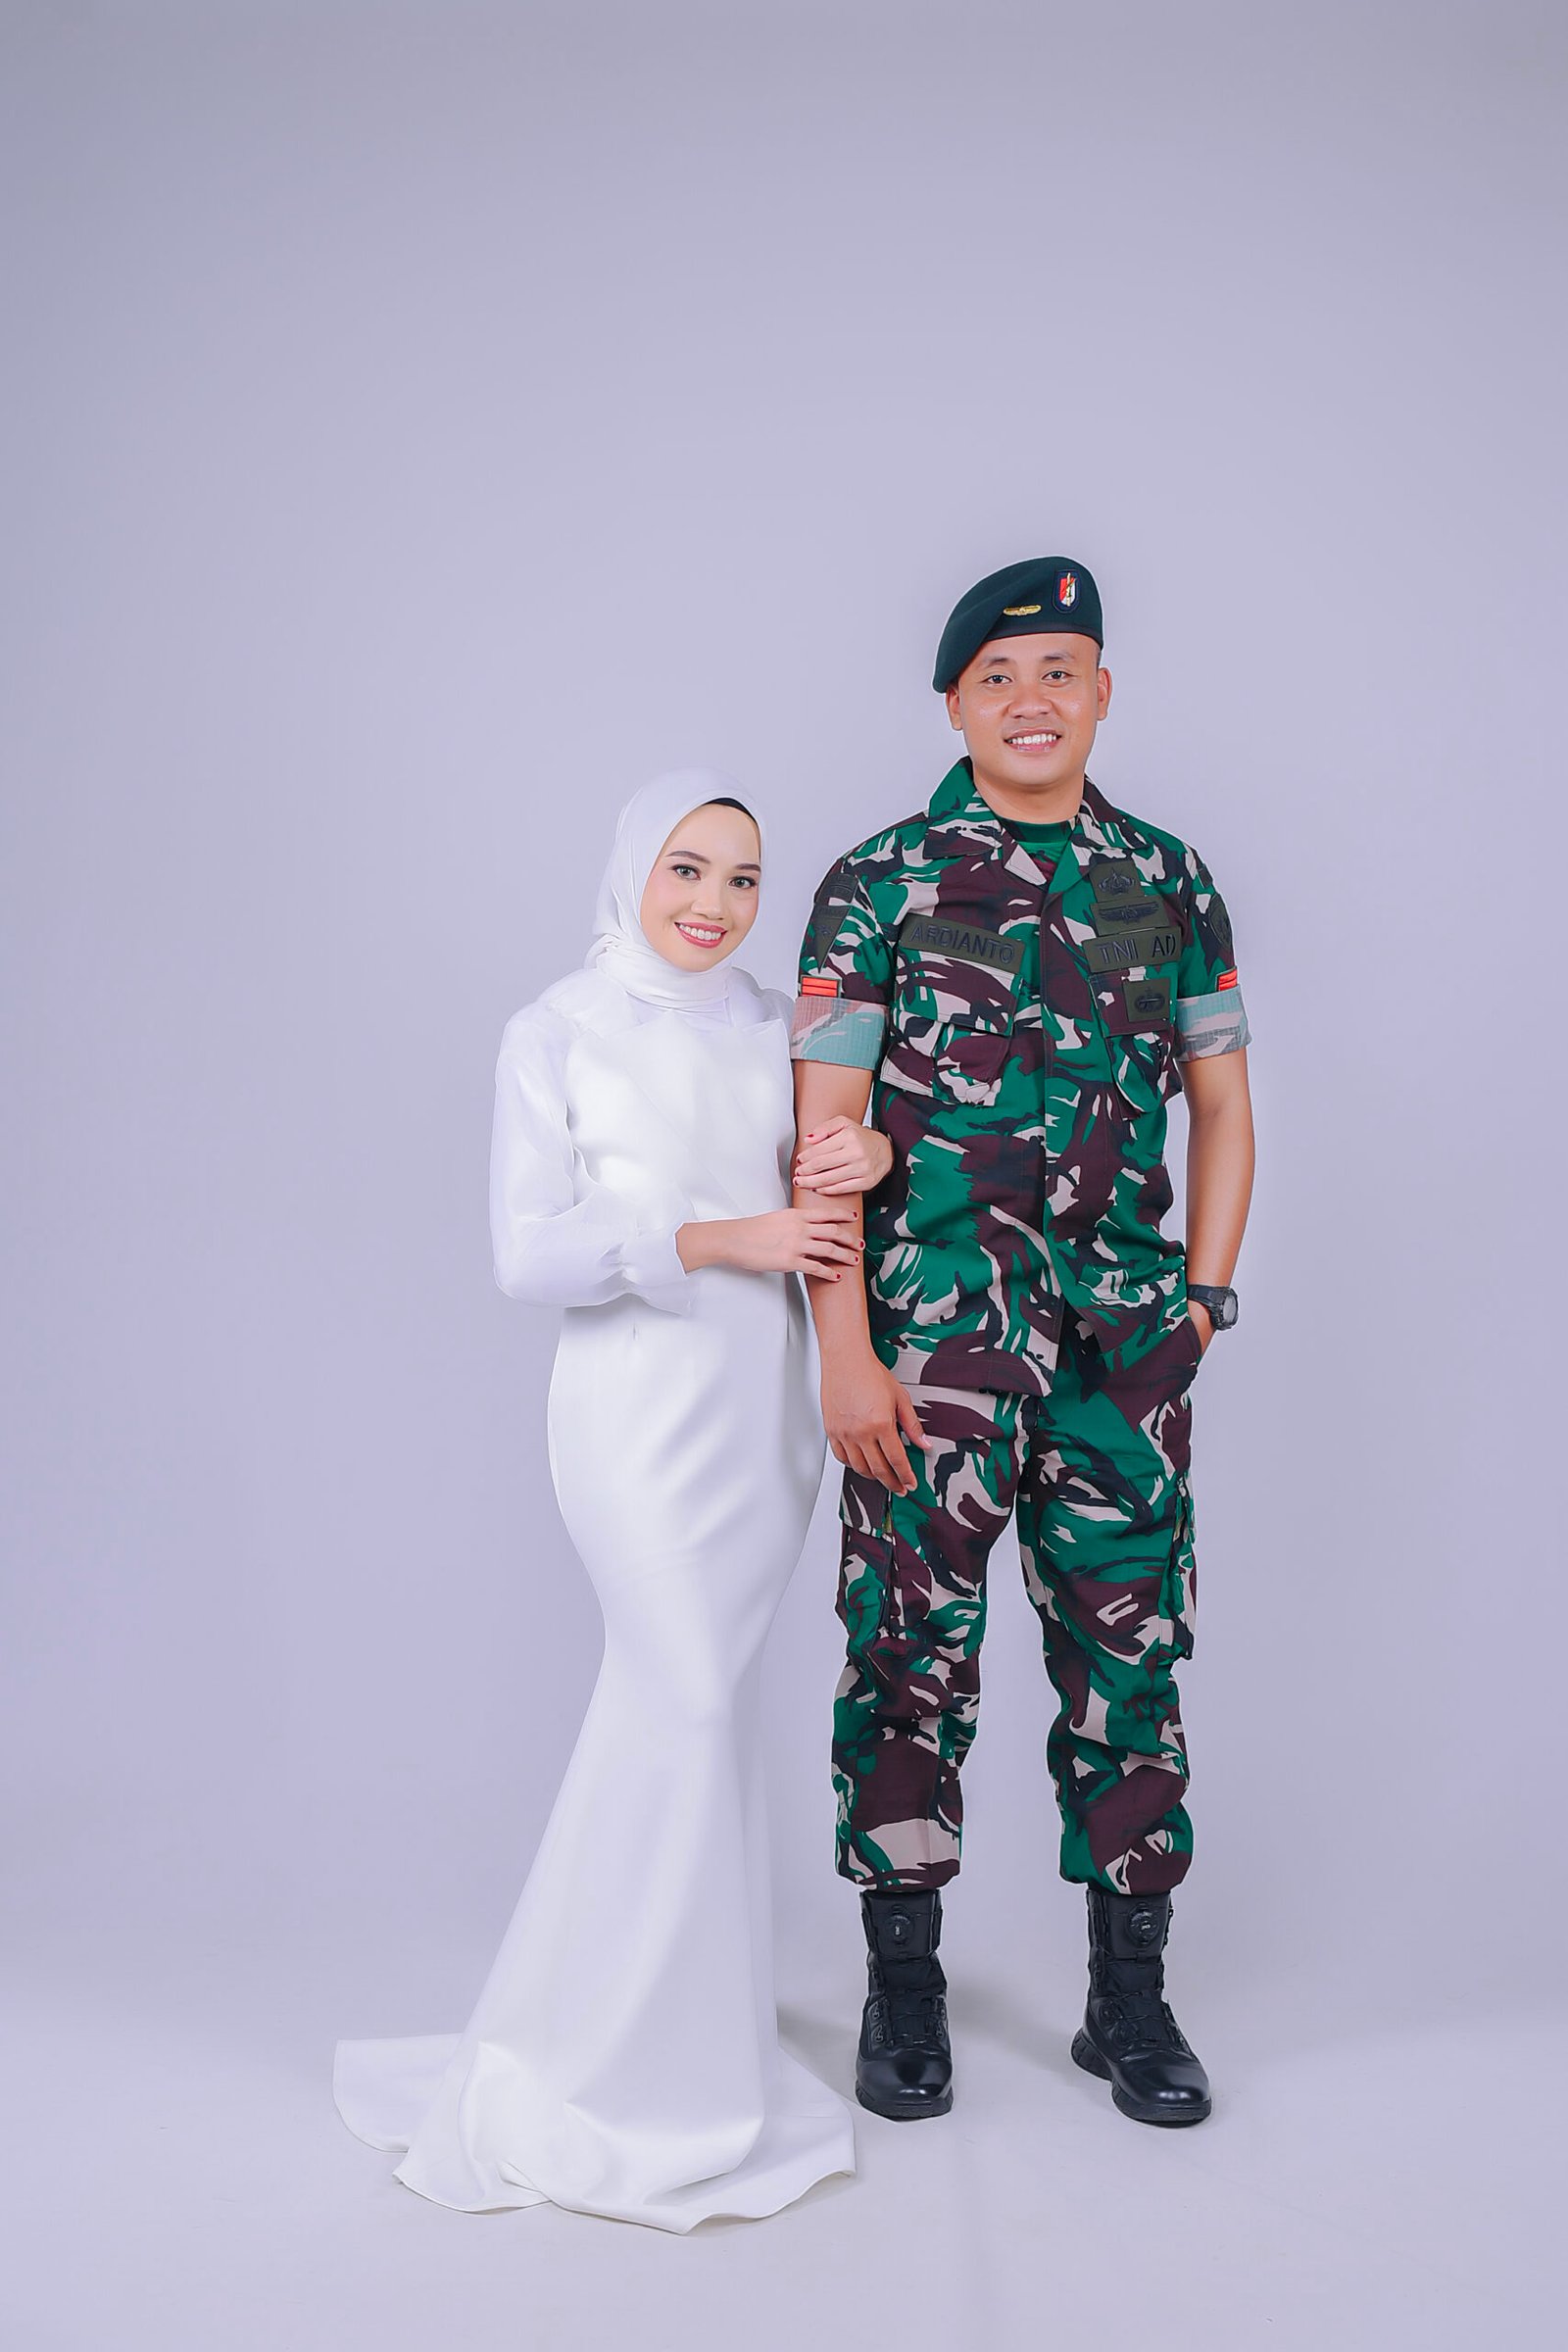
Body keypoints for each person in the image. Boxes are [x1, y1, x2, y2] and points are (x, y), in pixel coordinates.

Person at [335, 770, 887, 2230]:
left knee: (697, 1718)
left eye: (743, 878)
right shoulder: (557, 1028)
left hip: (763, 1415)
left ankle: (687, 2037)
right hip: (638, 1413)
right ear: (633, 868)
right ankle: (609, 2069)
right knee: (681, 1695)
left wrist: (872, 1151)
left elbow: (850, 1160)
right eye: (686, 869)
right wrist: (721, 1236)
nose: (715, 903)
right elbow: (527, 1254)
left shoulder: (783, 1023)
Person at [789, 560, 1254, 2130]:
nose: (1032, 700)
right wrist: (843, 1354)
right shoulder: (881, 883)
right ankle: (903, 1989)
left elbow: (1223, 1103)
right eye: (999, 677)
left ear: (1103, 692)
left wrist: (1204, 1298)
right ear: (954, 706)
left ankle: (1129, 2001)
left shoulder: (1164, 881)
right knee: (906, 1657)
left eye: (1061, 670)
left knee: (1132, 1659)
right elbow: (823, 1139)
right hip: (930, 1353)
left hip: (1125, 1352)